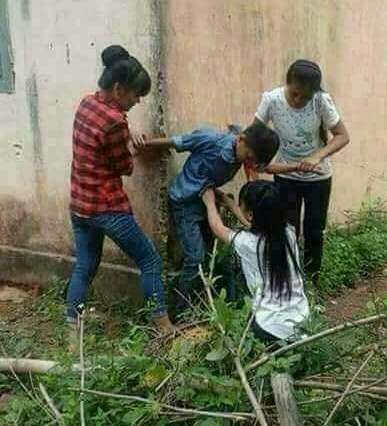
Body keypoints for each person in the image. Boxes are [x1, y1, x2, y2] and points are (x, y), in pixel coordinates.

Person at [66, 45, 173, 347]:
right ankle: (163, 326)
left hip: (80, 203)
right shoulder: (116, 122)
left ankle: (73, 334)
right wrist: (134, 147)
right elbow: (123, 167)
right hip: (107, 207)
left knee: (85, 266)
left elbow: (100, 140)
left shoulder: (87, 103)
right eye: (136, 95)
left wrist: (126, 133)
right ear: (118, 89)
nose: (138, 101)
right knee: (149, 260)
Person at [136, 123, 280, 315]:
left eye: (253, 161)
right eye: (248, 158)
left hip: (206, 201)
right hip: (186, 202)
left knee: (218, 255)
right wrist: (145, 143)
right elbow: (178, 142)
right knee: (195, 258)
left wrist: (221, 201)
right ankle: (181, 311)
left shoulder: (242, 152)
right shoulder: (211, 140)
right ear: (241, 140)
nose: (249, 163)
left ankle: (228, 306)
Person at [254, 59, 350, 275]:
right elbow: (255, 133)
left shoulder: (321, 101)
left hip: (319, 177)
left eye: (305, 97)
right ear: (287, 83)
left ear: (314, 93)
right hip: (286, 177)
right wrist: (257, 159)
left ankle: (312, 279)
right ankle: (291, 278)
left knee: (315, 231)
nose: (298, 100)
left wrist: (317, 156)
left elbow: (343, 136)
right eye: (294, 93)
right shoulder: (272, 100)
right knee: (288, 230)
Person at [202, 181, 309, 344]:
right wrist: (233, 206)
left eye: (241, 205)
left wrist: (209, 202)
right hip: (301, 321)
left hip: (270, 328)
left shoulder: (248, 243)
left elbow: (218, 229)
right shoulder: (289, 234)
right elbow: (259, 224)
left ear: (251, 214)